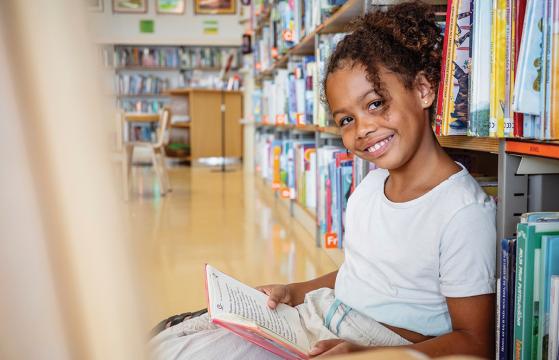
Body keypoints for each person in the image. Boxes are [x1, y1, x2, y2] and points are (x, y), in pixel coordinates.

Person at [150, 2, 496, 358]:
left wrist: (364, 354)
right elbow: (358, 275)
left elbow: (474, 342)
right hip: (321, 317)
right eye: (346, 120)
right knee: (169, 342)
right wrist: (293, 290)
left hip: (373, 345)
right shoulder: (369, 188)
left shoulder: (462, 212)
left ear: (423, 89)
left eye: (375, 103)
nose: (362, 129)